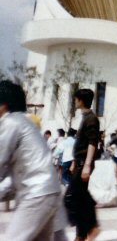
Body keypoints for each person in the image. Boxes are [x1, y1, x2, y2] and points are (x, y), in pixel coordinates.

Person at [0, 80, 63, 241]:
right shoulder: (26, 123)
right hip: (48, 191)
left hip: (36, 194)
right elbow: (12, 177)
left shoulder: (10, 122)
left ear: (3, 105)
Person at [65, 88, 101, 241]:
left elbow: (93, 143)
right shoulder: (85, 117)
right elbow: (81, 143)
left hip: (83, 164)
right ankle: (81, 235)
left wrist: (87, 165)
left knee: (72, 196)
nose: (75, 102)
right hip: (79, 163)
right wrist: (74, 162)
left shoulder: (91, 119)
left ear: (81, 100)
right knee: (79, 198)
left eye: (76, 99)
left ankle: (91, 227)